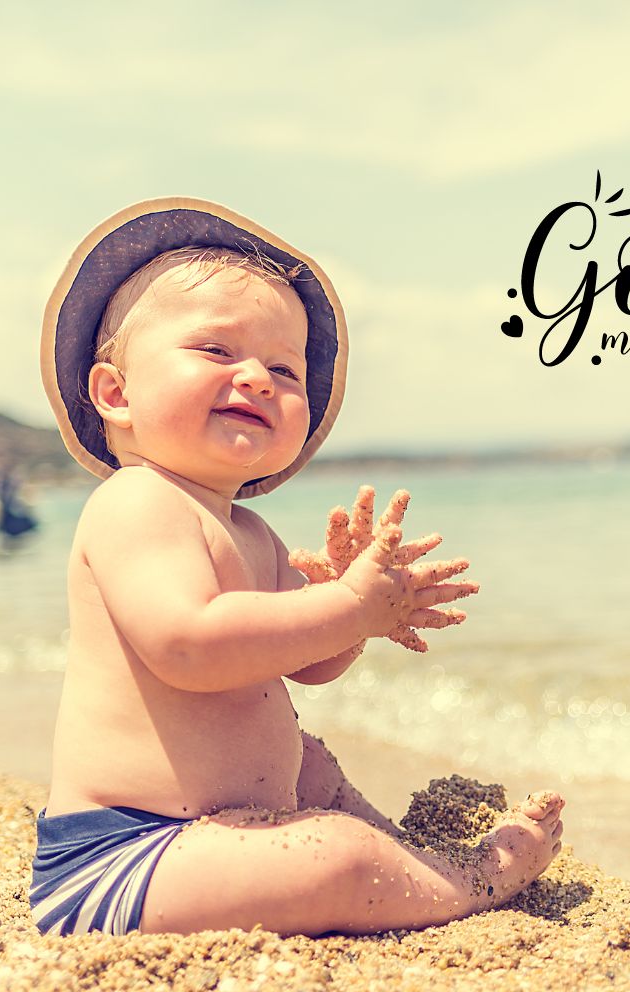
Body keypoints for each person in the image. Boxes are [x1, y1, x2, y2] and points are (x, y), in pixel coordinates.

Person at [31, 198, 565, 937]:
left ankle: (406, 854)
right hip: (123, 859)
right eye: (216, 352)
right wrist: (346, 604)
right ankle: (469, 880)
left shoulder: (249, 531)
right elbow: (189, 644)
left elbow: (307, 665)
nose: (256, 378)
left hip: (214, 837)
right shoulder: (136, 505)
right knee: (335, 858)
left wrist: (353, 616)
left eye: (282, 368)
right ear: (116, 394)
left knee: (309, 763)